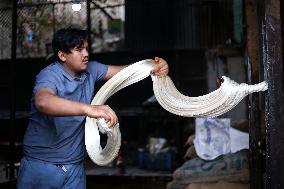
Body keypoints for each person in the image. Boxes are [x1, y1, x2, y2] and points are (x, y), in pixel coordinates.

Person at [17, 28, 169, 189]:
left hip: (74, 167)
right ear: (62, 55)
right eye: (79, 49)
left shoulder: (91, 69)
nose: (86, 54)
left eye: (86, 48)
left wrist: (155, 66)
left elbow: (127, 72)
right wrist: (89, 109)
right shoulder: (49, 75)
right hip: (42, 166)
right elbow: (43, 102)